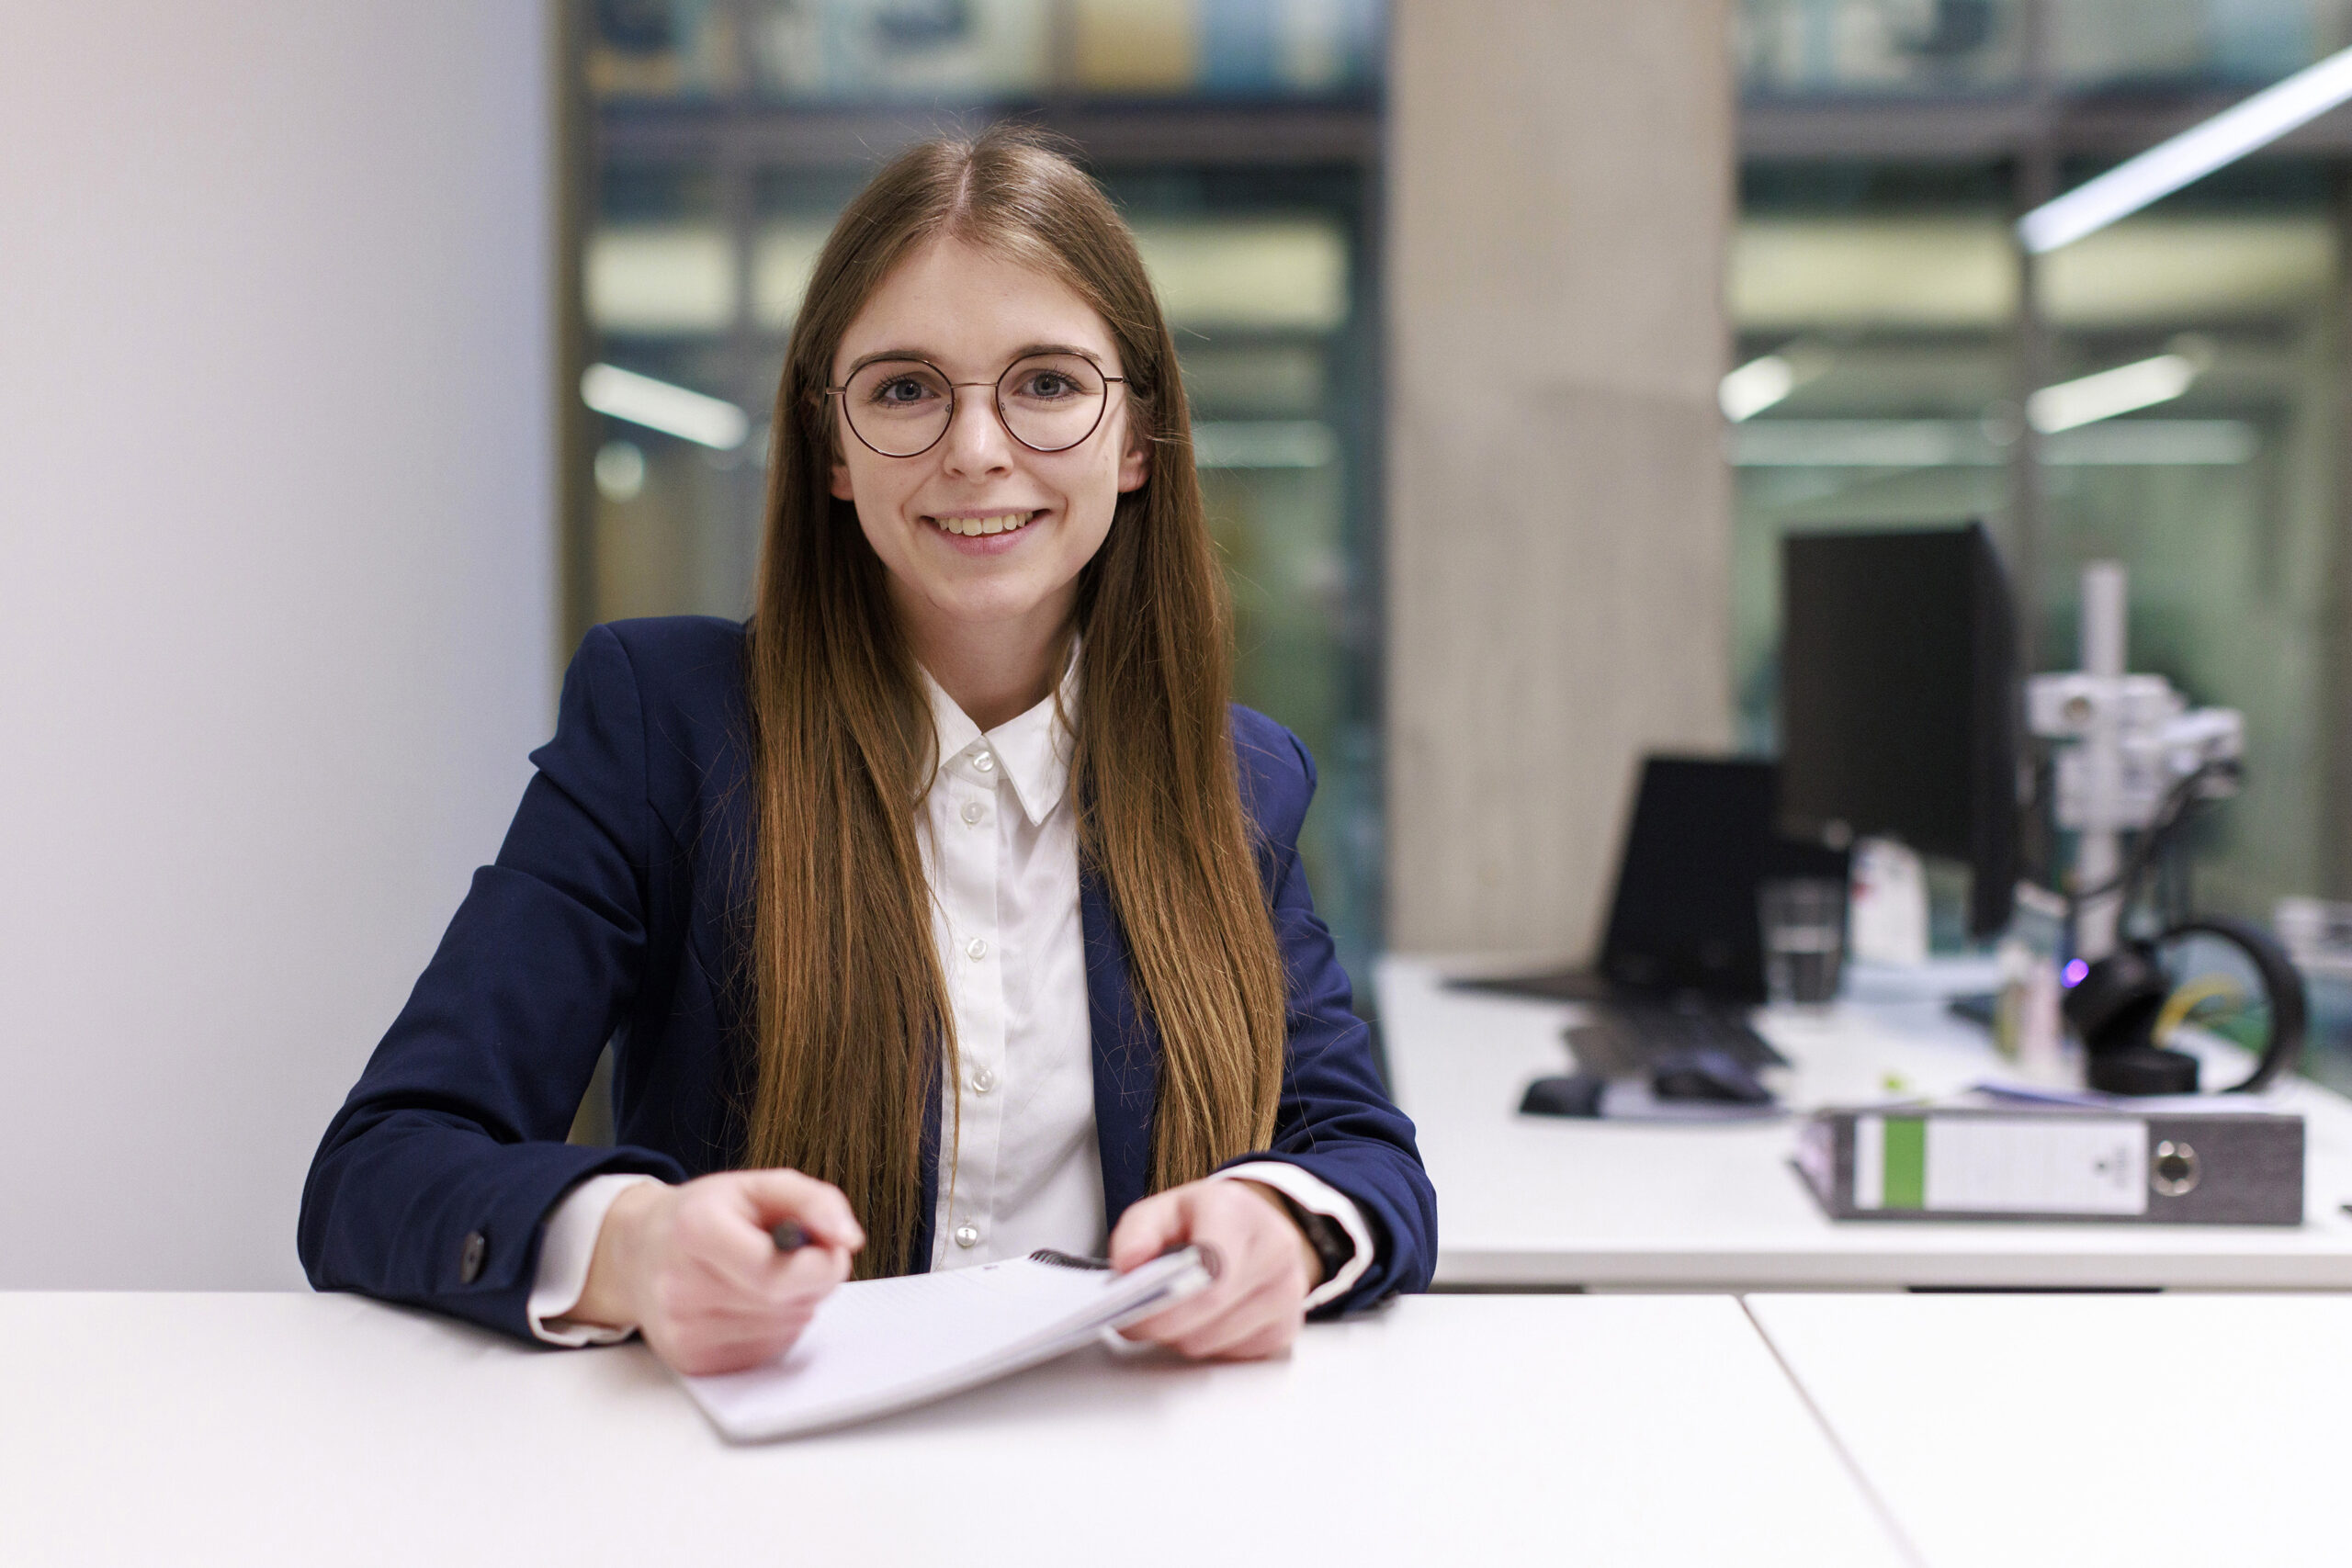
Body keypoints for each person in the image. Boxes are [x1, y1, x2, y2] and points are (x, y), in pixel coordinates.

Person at [299, 127, 1435, 1377]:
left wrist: (1282, 1225)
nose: (977, 450)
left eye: (1047, 382)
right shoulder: (661, 726)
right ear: (831, 447)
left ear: (1136, 439)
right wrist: (633, 1243)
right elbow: (384, 1165)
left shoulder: (1238, 776)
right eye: (904, 389)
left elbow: (1367, 1161)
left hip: (1124, 1489)